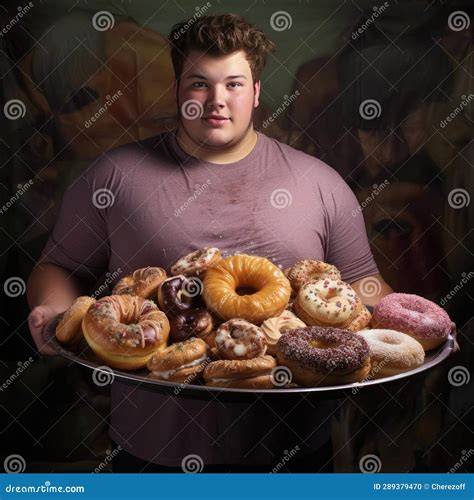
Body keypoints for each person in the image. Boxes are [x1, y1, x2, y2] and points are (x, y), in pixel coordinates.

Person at [27, 14, 393, 472]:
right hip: (151, 452)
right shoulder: (113, 176)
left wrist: (408, 321)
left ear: (256, 92)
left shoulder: (320, 182)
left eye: (234, 84)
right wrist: (49, 308)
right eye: (199, 83)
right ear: (178, 88)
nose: (217, 101)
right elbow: (59, 265)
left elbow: (361, 284)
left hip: (297, 451)